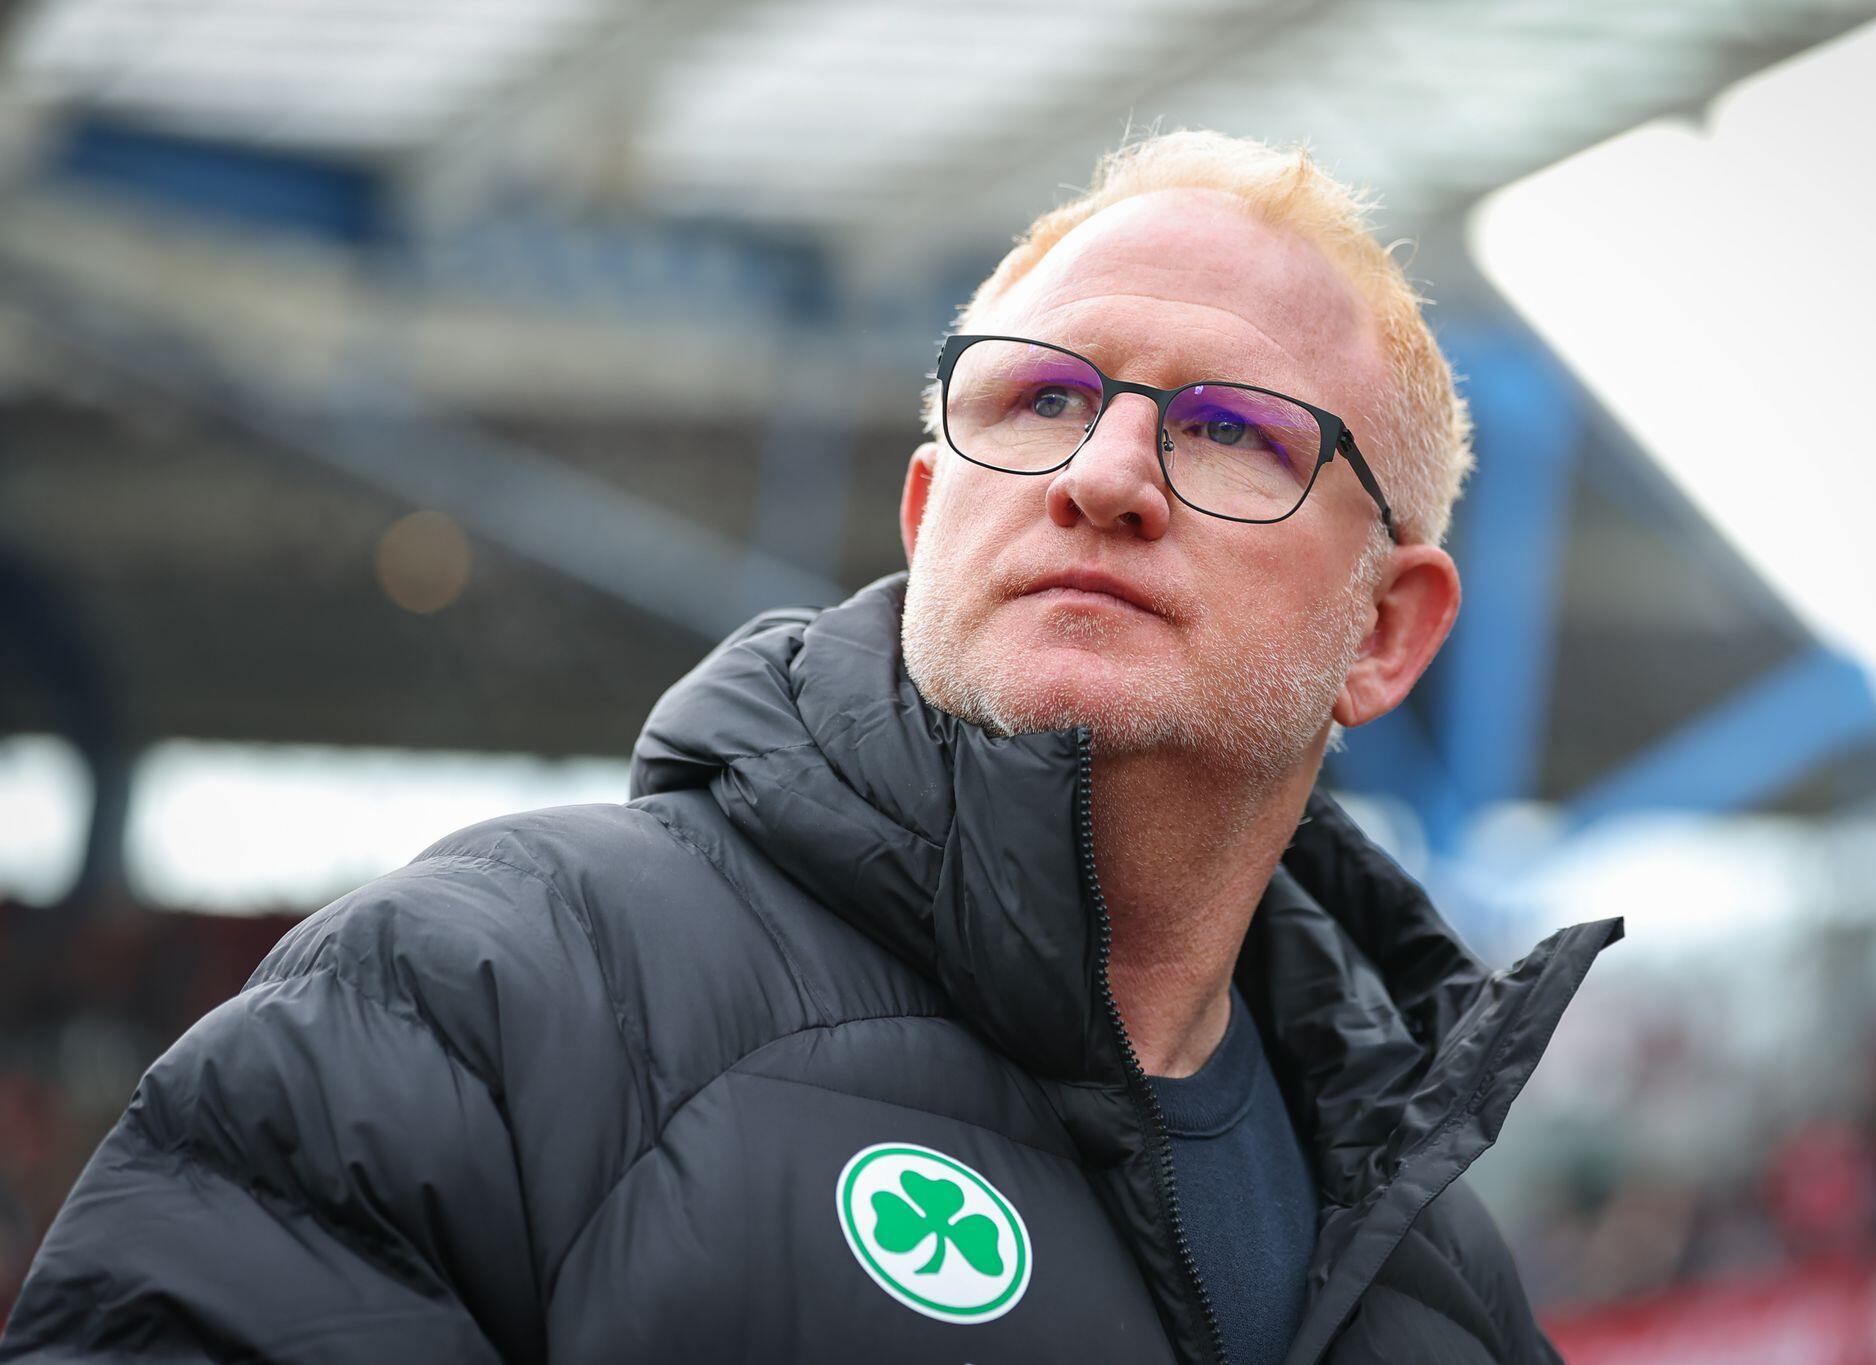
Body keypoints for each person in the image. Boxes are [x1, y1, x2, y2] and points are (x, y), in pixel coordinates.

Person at [0, 129, 1622, 1365]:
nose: (1104, 473)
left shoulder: (1445, 1289)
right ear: (929, 516)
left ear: (1387, 631)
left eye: (1231, 430)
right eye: (1038, 402)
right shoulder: (478, 997)